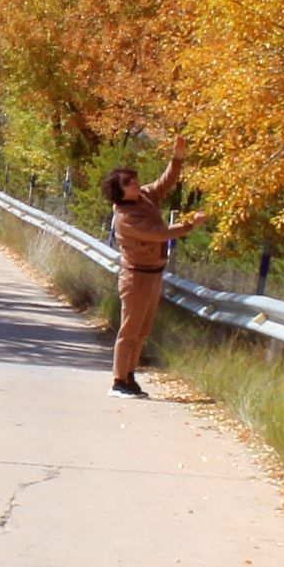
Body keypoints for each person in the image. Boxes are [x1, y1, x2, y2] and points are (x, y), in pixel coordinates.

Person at [102, 134, 207, 397]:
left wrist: (177, 157)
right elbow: (158, 234)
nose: (135, 183)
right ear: (119, 191)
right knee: (130, 330)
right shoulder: (126, 217)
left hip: (153, 274)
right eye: (129, 183)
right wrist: (189, 226)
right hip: (135, 277)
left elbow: (166, 181)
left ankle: (130, 375)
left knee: (142, 329)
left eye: (134, 179)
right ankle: (118, 380)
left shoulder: (144, 197)